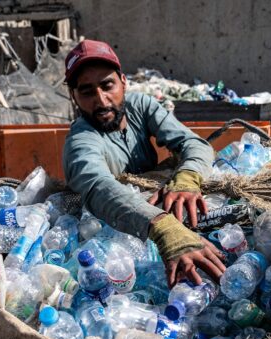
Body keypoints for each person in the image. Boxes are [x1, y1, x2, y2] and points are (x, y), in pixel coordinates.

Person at [62, 39, 225, 287]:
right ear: (74, 96)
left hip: (159, 205)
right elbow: (97, 186)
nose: (102, 100)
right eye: (86, 91)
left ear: (123, 82)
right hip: (122, 233)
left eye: (108, 85)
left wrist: (187, 179)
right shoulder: (81, 140)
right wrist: (163, 227)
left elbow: (194, 144)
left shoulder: (140, 106)